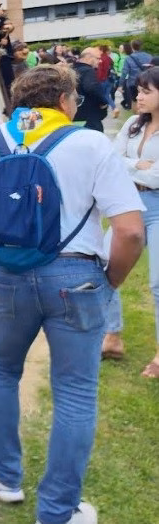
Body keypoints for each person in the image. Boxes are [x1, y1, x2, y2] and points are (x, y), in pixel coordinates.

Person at [0, 65, 144, 524]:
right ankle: (57, 512)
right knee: (76, 391)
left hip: (9, 276)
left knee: (0, 371)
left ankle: (3, 474)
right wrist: (112, 282)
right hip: (77, 277)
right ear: (64, 101)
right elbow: (130, 231)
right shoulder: (90, 143)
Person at [103, 66, 159, 378]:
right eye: (138, 90)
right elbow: (112, 160)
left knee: (158, 283)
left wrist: (132, 167)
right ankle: (112, 337)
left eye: (146, 91)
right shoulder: (134, 126)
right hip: (129, 204)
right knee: (104, 267)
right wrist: (137, 163)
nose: (137, 95)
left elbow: (157, 176)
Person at [72, 47, 108, 132]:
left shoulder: (72, 69)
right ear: (88, 57)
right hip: (90, 117)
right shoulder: (88, 71)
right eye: (98, 58)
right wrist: (104, 102)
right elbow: (90, 87)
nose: (100, 61)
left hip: (74, 116)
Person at [121, 39, 152, 108]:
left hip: (133, 83)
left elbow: (124, 72)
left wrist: (120, 84)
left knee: (134, 101)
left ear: (132, 47)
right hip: (146, 82)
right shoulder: (149, 56)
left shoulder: (128, 58)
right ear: (141, 46)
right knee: (146, 101)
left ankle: (137, 117)